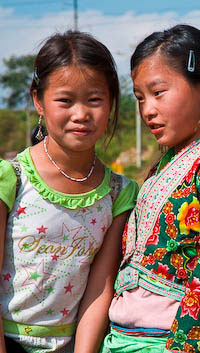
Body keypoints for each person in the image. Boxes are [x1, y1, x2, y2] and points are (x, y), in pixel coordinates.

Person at [101, 24, 200, 353]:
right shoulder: (161, 168)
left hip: (174, 345)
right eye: (140, 98)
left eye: (158, 93)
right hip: (124, 340)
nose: (148, 110)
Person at [0, 31, 139, 353]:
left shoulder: (120, 193)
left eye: (94, 100)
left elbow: (100, 287)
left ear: (111, 103)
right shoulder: (11, 178)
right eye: (65, 100)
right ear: (39, 100)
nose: (81, 114)